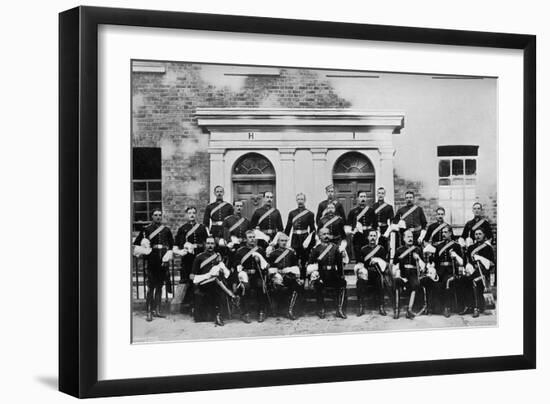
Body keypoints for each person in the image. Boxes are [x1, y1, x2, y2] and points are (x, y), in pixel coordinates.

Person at [133, 209, 174, 322]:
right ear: (152, 216)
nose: (158, 217)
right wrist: (144, 246)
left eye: (160, 215)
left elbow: (171, 245)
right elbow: (136, 244)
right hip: (152, 260)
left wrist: (168, 254)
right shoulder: (146, 229)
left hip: (163, 260)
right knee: (151, 287)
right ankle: (149, 311)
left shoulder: (166, 230)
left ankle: (158, 310)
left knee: (160, 286)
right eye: (155, 215)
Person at [307, 227, 347, 319]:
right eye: (323, 234)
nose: (326, 236)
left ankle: (340, 309)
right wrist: (314, 275)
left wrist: (341, 275)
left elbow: (339, 264)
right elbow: (309, 265)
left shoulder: (335, 248)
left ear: (331, 235)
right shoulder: (316, 249)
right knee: (318, 285)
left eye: (328, 234)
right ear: (319, 236)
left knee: (342, 283)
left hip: (333, 273)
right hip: (321, 274)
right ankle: (321, 309)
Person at [191, 236, 230, 326]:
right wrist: (205, 277)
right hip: (203, 284)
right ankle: (217, 314)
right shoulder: (199, 257)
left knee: (217, 284)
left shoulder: (218, 256)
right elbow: (192, 276)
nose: (210, 246)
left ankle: (218, 315)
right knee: (217, 286)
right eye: (208, 243)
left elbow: (225, 273)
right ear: (205, 244)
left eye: (212, 243)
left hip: (216, 283)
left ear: (215, 245)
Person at [232, 230, 270, 323]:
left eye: (253, 237)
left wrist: (260, 261)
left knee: (261, 286)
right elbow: (236, 267)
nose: (252, 239)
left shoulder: (260, 250)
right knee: (246, 287)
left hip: (257, 275)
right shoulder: (240, 251)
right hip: (245, 276)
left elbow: (266, 265)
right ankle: (245, 313)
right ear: (246, 239)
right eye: (250, 237)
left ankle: (261, 311)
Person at [459, 227, 495, 317]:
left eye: (480, 234)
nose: (477, 236)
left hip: (483, 273)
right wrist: (468, 266)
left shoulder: (488, 248)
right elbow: (466, 261)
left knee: (475, 281)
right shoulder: (471, 247)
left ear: (484, 235)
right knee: (463, 280)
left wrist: (481, 259)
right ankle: (468, 306)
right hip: (473, 271)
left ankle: (477, 308)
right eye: (476, 234)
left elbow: (492, 263)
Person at [266, 233, 302, 320]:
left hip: (288, 275)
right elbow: (269, 267)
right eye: (282, 241)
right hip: (276, 276)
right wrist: (276, 273)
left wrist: (292, 272)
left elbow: (296, 266)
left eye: (286, 241)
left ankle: (290, 310)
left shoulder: (291, 253)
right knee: (277, 287)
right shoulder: (273, 254)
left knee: (296, 286)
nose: (284, 242)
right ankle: (275, 309)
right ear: (278, 241)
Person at [392, 230, 426, 319]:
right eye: (408, 237)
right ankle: (396, 309)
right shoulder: (399, 250)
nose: (410, 239)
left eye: (411, 237)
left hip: (413, 273)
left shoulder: (417, 249)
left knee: (416, 284)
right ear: (403, 238)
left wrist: (418, 258)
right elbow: (395, 264)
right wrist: (397, 274)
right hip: (402, 272)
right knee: (396, 281)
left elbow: (423, 266)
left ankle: (409, 310)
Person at [356, 229, 390, 316]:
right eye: (371, 236)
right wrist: (361, 270)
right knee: (360, 282)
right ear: (367, 237)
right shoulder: (363, 249)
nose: (372, 238)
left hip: (377, 272)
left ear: (377, 237)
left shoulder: (381, 249)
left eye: (374, 236)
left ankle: (381, 306)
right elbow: (360, 263)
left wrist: (378, 261)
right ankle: (361, 306)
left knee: (380, 281)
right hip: (366, 273)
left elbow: (385, 263)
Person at [433, 225, 463, 317]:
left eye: (445, 232)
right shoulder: (438, 246)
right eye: (442, 232)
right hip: (440, 271)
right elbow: (436, 261)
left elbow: (461, 261)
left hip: (451, 271)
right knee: (435, 283)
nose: (443, 234)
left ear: (450, 233)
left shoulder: (456, 246)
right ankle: (436, 307)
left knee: (447, 282)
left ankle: (447, 307)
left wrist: (455, 256)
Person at [284, 193, 316, 279]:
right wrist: (284, 240)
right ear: (296, 200)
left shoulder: (310, 214)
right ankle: (295, 279)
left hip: (305, 238)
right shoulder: (292, 213)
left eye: (302, 199)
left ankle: (304, 278)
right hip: (295, 238)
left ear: (305, 200)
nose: (300, 201)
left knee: (305, 259)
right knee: (294, 258)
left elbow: (313, 229)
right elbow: (288, 227)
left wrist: (312, 243)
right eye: (298, 199)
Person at [174, 207, 208, 285]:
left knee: (200, 277)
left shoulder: (201, 228)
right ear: (186, 215)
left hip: (200, 254)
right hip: (188, 256)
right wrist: (182, 250)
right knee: (188, 277)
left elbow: (206, 242)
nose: (192, 215)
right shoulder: (182, 229)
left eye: (193, 213)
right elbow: (178, 244)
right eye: (189, 213)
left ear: (196, 214)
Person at [347, 191, 376, 260]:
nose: (363, 198)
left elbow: (375, 224)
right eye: (361, 196)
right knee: (358, 253)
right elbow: (348, 225)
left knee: (368, 254)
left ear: (366, 198)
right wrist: (352, 232)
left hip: (368, 235)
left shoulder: (371, 210)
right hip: (357, 235)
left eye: (364, 196)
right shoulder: (353, 211)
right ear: (358, 198)